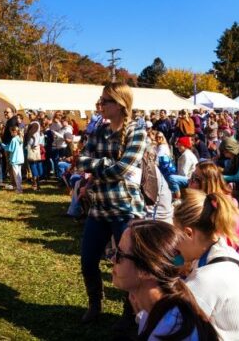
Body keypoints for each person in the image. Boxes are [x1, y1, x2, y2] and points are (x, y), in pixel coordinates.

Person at [77, 82, 147, 323]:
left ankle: (130, 313)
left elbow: (123, 169)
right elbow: (82, 161)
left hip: (126, 210)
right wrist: (108, 166)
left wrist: (100, 167)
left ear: (120, 104)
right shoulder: (98, 132)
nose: (100, 105)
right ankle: (95, 303)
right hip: (98, 209)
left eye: (105, 100)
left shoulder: (137, 132)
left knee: (129, 265)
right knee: (88, 261)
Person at [174, 189, 239, 340]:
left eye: (176, 237)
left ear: (189, 234)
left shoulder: (207, 278)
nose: (175, 246)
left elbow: (170, 326)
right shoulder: (227, 254)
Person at [110, 220, 218, 341]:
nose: (113, 259)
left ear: (146, 270)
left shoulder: (171, 330)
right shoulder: (158, 307)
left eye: (120, 255)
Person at [188, 162, 239, 266]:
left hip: (228, 268)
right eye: (191, 176)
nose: (189, 181)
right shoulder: (218, 204)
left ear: (206, 184)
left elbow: (210, 251)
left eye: (195, 178)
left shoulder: (215, 212)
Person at [6, 125, 25, 194]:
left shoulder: (13, 139)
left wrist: (4, 146)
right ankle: (19, 187)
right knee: (19, 174)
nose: (10, 133)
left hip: (15, 158)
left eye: (11, 132)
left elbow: (11, 149)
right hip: (20, 158)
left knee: (16, 174)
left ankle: (19, 189)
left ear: (14, 132)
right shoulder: (21, 138)